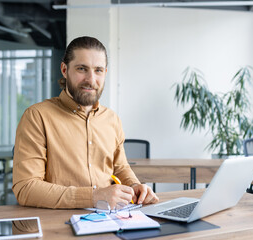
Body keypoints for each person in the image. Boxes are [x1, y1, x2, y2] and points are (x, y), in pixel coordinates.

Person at [12, 36, 159, 209]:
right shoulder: (37, 117)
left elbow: (120, 168)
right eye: (82, 69)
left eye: (98, 70)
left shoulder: (112, 119)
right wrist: (93, 196)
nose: (91, 79)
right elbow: (26, 188)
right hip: (58, 224)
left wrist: (134, 186)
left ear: (105, 72)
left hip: (110, 219)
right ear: (65, 70)